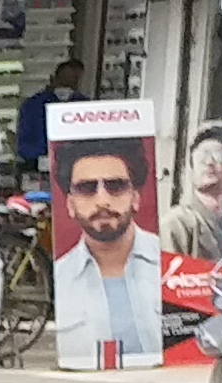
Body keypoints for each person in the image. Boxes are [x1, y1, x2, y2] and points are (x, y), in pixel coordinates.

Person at [47, 143, 162, 369]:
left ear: (136, 198)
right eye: (87, 188)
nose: (102, 200)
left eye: (116, 186)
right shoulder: (61, 277)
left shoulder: (169, 263)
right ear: (70, 205)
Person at [167, 121, 222, 263]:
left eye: (219, 156)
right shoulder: (176, 223)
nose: (209, 162)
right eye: (202, 157)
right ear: (190, 172)